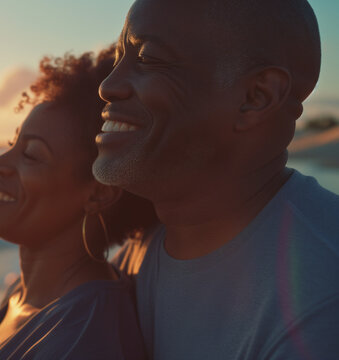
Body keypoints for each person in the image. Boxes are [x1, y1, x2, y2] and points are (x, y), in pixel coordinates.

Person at [93, 0, 339, 359]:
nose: (108, 85)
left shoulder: (319, 303)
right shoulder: (145, 249)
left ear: (256, 97)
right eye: (118, 58)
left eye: (147, 57)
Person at [0, 46, 156, 360]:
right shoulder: (26, 295)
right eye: (13, 143)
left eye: (32, 154)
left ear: (98, 193)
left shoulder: (84, 339)